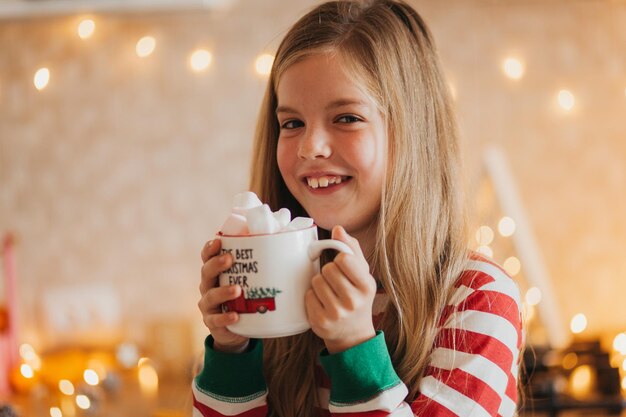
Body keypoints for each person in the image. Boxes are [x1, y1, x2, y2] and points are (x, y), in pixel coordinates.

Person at [194, 0, 523, 416]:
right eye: (292, 123)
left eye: (346, 117)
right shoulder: (279, 300)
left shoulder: (477, 299)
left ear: (411, 132)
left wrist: (354, 348)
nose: (311, 147)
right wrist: (231, 351)